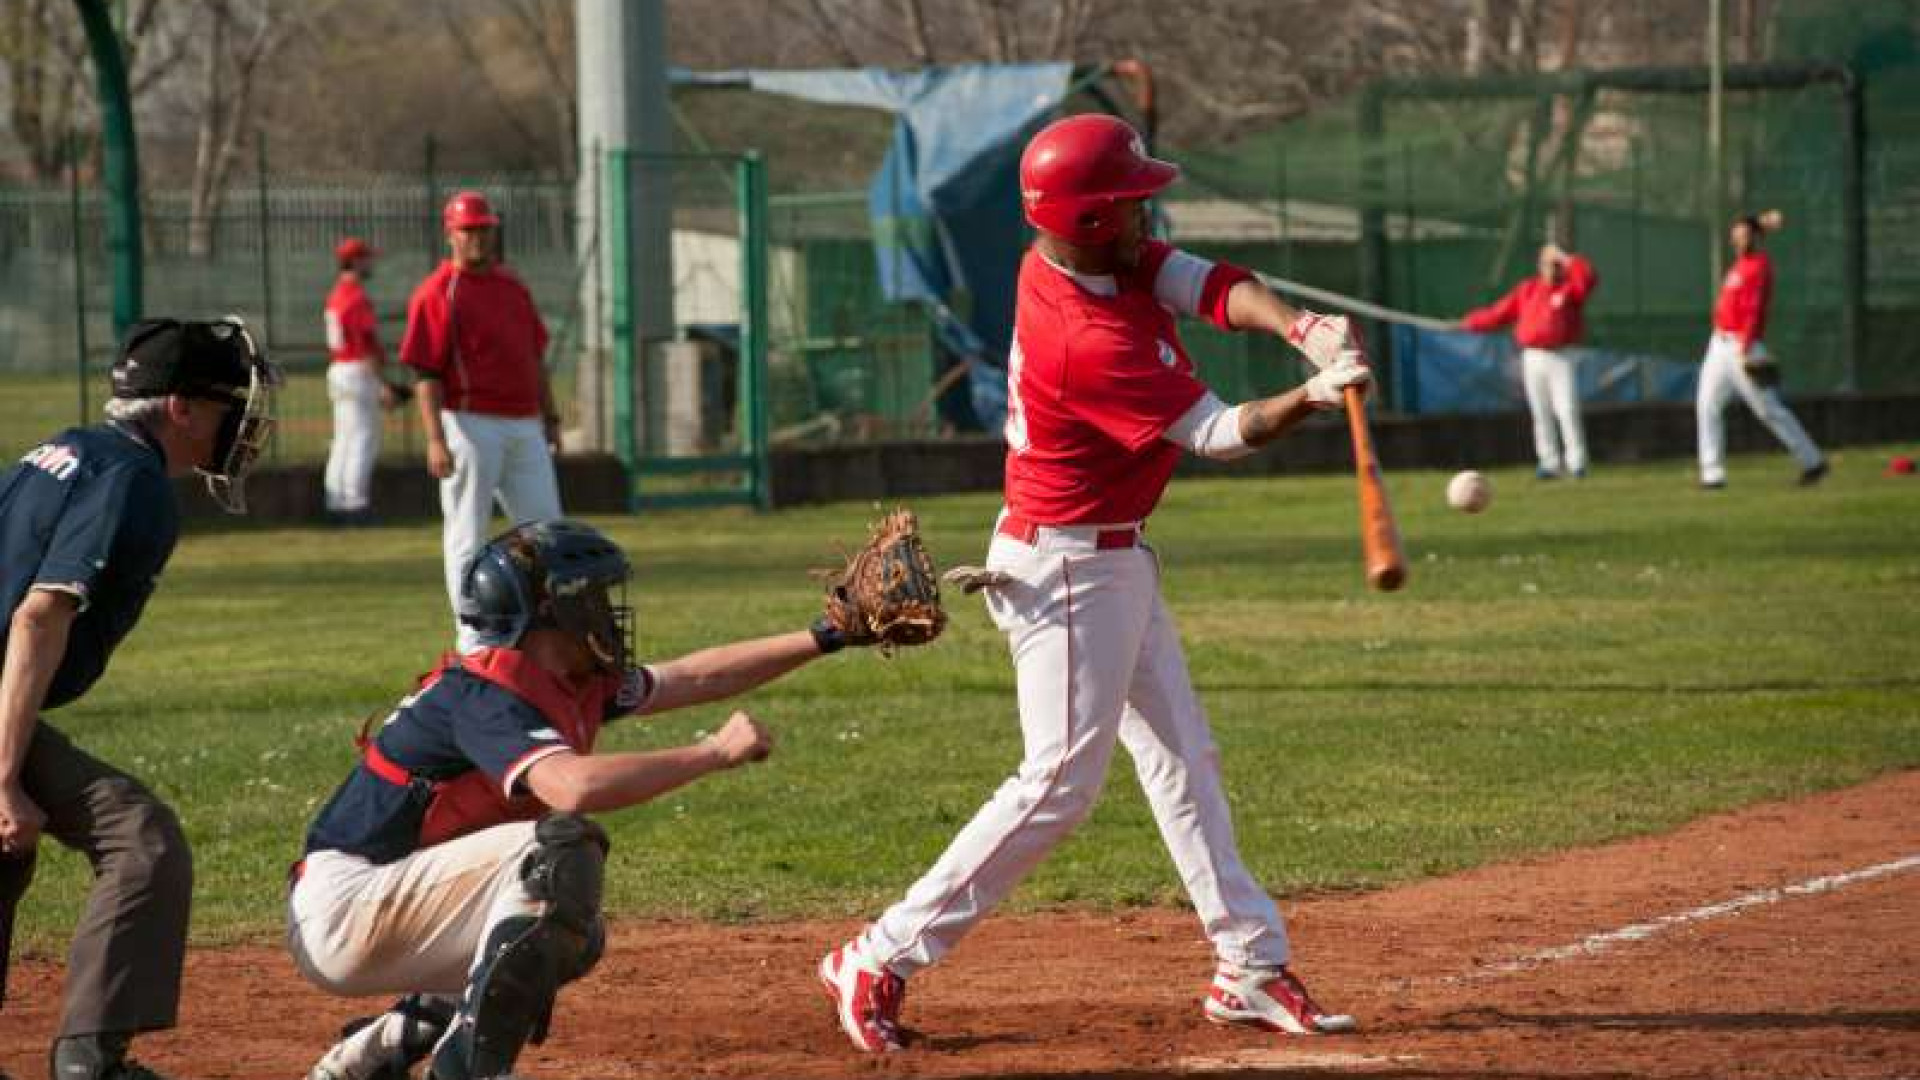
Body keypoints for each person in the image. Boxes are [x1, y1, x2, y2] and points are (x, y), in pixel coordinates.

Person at [817, 113, 1368, 1054]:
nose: (1149, 215)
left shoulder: (1078, 255)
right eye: (1133, 202)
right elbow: (1220, 434)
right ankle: (879, 954)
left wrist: (1300, 326)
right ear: (1094, 218)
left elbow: (1200, 280)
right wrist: (1310, 397)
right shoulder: (1084, 336)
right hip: (1066, 569)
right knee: (1060, 783)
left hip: (1109, 557)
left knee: (1183, 758)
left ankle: (1249, 967)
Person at [289, 518, 878, 1080]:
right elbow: (573, 788)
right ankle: (470, 1068)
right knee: (556, 857)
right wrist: (713, 753)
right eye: (594, 597)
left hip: (390, 894)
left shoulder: (568, 680)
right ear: (555, 612)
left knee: (571, 933)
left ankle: (372, 1055)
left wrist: (827, 636)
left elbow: (694, 677)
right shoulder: (485, 695)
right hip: (347, 907)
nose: (608, 612)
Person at [0, 318, 279, 1080]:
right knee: (141, 841)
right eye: (227, 409)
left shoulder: (56, 451)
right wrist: (4, 779)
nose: (239, 428)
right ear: (182, 408)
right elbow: (38, 615)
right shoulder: (132, 478)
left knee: (6, 852)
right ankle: (92, 1061)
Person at [401, 191, 563, 649]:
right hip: (469, 423)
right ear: (450, 233)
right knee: (467, 531)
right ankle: (473, 638)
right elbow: (426, 373)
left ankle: (544, 629)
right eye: (469, 229)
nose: (478, 237)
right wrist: (435, 438)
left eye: (484, 228)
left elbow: (534, 356)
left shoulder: (512, 286)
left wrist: (550, 415)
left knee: (546, 530)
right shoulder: (438, 292)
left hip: (523, 423)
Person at [1695, 211, 1827, 489]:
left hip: (1742, 347)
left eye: (1744, 236)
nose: (1738, 241)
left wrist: (1745, 349)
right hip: (1718, 345)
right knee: (1707, 405)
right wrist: (1759, 223)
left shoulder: (1759, 266)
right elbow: (1749, 230)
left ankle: (1813, 462)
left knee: (1768, 410)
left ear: (1755, 238)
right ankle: (1712, 474)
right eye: (1736, 237)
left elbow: (1755, 311)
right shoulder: (1743, 261)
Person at [1457, 242, 1600, 479]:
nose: (1552, 269)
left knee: (1566, 409)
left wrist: (1566, 257)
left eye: (1556, 265)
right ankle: (1549, 463)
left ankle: (1577, 463)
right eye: (1548, 264)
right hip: (1533, 357)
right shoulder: (1528, 290)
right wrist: (1471, 322)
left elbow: (1588, 277)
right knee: (1540, 411)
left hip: (1561, 356)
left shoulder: (1570, 289)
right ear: (1540, 266)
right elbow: (1500, 312)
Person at [323, 237, 397, 524]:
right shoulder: (355, 297)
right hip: (357, 370)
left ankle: (336, 502)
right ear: (354, 261)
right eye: (366, 258)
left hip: (340, 368)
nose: (371, 263)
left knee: (344, 440)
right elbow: (366, 345)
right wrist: (384, 385)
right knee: (363, 440)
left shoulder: (336, 294)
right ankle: (355, 505)